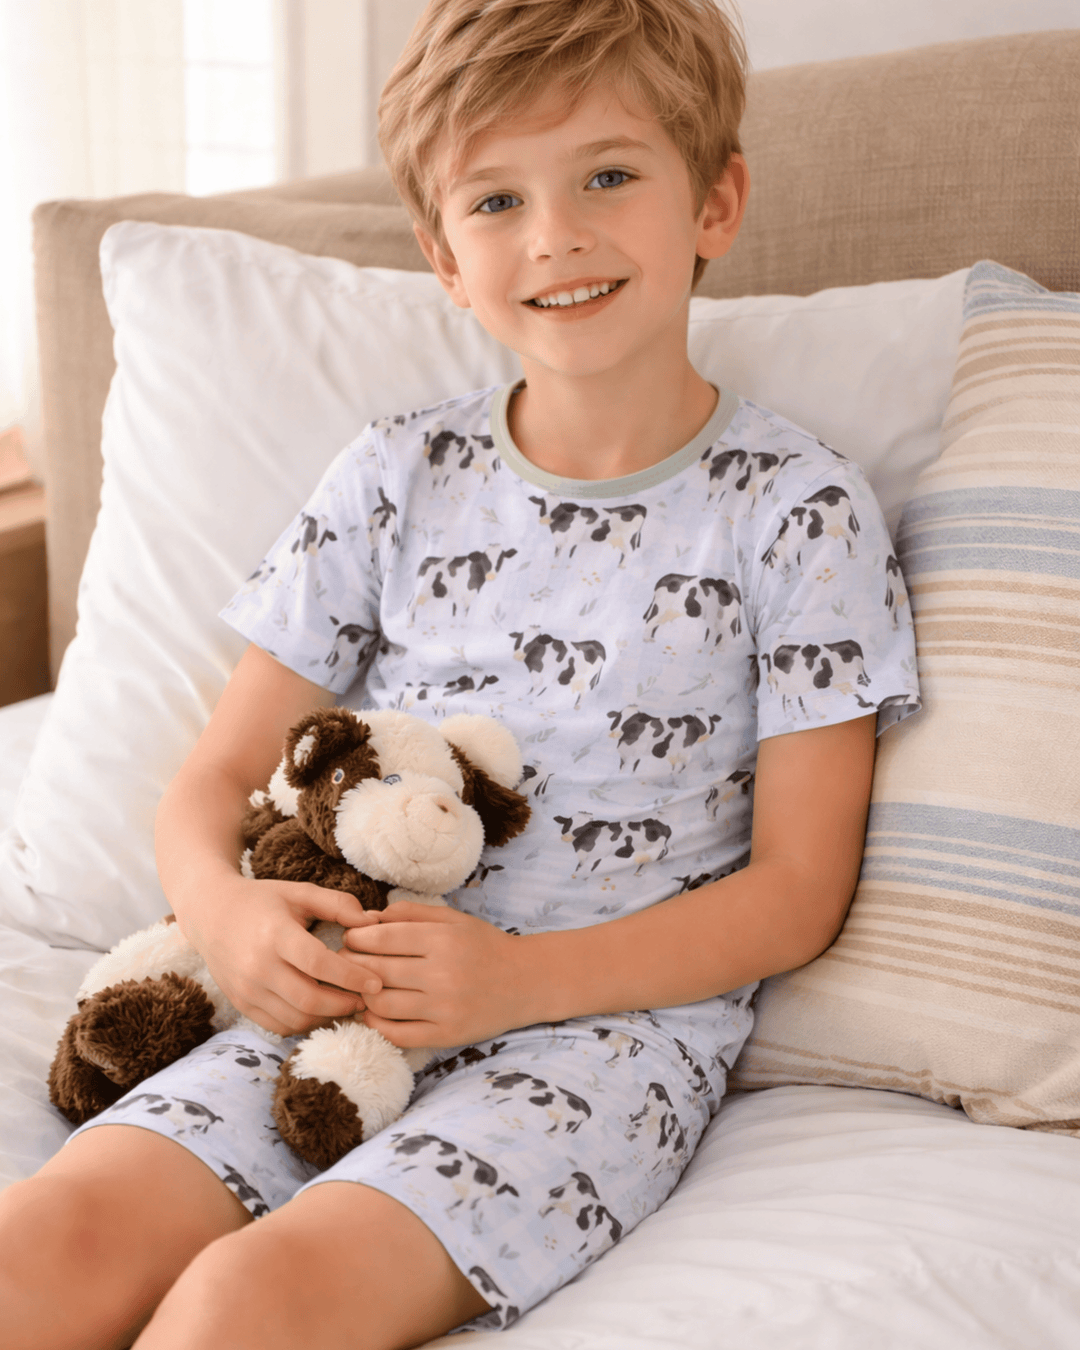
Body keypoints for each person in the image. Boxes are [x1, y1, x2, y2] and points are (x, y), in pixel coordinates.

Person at [0, 2, 920, 1346]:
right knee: (42, 1245)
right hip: (331, 996)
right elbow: (207, 777)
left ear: (715, 199)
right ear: (443, 255)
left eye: (609, 174)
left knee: (239, 1310)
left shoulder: (796, 511)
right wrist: (230, 918)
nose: (555, 233)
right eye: (497, 198)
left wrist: (517, 982)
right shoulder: (393, 477)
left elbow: (796, 892)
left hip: (592, 1039)